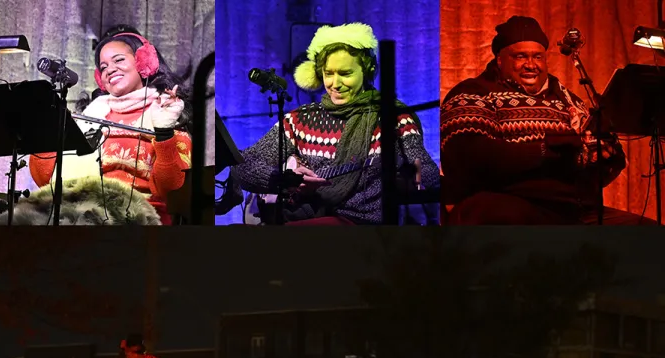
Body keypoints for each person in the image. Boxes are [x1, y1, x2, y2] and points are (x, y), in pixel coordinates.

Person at [441, 16, 655, 225]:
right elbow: (468, 157)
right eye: (520, 56)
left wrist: (607, 158)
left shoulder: (569, 100)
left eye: (538, 57)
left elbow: (589, 168)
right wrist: (544, 150)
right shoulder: (473, 93)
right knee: (498, 218)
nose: (531, 65)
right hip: (511, 202)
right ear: (499, 59)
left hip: (574, 210)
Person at [233, 22, 439, 225]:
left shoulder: (393, 117)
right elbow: (242, 165)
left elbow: (426, 172)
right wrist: (285, 181)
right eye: (328, 74)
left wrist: (421, 180)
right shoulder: (300, 120)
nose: (335, 84)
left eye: (345, 73)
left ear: (367, 71)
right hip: (302, 219)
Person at [28, 26, 192, 225]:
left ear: (144, 62)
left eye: (119, 60)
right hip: (77, 212)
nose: (110, 69)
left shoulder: (167, 111)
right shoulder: (89, 118)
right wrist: (47, 132)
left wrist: (164, 132)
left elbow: (172, 190)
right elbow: (45, 178)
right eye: (103, 67)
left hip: (138, 219)